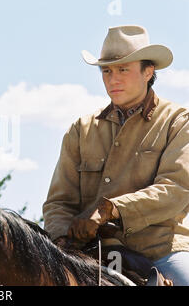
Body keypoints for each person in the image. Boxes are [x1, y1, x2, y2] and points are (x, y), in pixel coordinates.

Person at [43, 25, 189, 285]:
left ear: (148, 72)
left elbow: (175, 190)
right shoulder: (81, 129)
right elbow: (58, 203)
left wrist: (110, 211)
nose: (113, 79)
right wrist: (61, 240)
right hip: (89, 253)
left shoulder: (178, 122)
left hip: (159, 250)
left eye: (123, 69)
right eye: (106, 71)